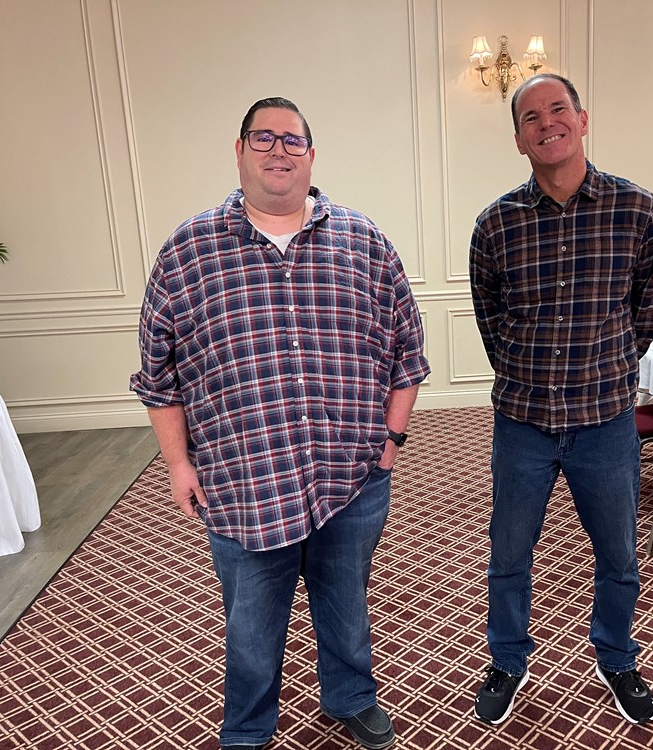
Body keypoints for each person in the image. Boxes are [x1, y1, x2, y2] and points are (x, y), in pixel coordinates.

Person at [131, 97, 430, 749]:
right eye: (262, 138)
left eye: (292, 140)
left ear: (311, 156)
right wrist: (178, 463)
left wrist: (390, 442)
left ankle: (351, 695)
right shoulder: (187, 252)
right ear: (239, 151)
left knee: (345, 603)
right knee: (251, 622)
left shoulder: (364, 241)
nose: (278, 150)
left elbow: (409, 351)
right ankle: (247, 724)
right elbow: (157, 373)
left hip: (351, 476)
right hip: (244, 481)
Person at [468, 73, 653, 727]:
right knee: (509, 555)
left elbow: (644, 312)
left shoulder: (636, 210)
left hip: (604, 421)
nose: (546, 123)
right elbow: (490, 318)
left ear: (582, 120)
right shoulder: (495, 224)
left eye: (558, 109)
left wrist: (607, 368)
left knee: (618, 554)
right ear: (518, 139)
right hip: (522, 422)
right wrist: (523, 372)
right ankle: (507, 661)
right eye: (530, 117)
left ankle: (617, 657)